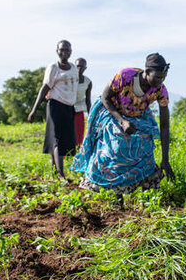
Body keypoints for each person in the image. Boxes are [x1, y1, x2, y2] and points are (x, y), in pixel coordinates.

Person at [70, 53, 175, 202]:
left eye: (163, 77)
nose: (160, 81)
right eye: (158, 77)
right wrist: (121, 121)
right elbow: (106, 97)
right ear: (146, 71)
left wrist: (165, 159)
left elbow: (165, 125)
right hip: (112, 111)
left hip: (138, 116)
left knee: (143, 143)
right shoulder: (126, 76)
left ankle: (136, 186)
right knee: (117, 144)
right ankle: (107, 187)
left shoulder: (160, 90)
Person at [28, 40, 79, 180]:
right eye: (62, 50)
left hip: (69, 107)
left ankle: (54, 172)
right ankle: (61, 175)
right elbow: (45, 88)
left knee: (65, 140)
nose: (64, 53)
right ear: (57, 51)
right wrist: (34, 110)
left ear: (71, 52)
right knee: (57, 140)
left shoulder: (74, 68)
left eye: (67, 50)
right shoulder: (53, 67)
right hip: (56, 106)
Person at [74, 58, 92, 148]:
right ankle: (65, 155)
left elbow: (88, 100)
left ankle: (77, 154)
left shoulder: (87, 82)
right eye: (77, 66)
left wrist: (90, 116)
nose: (79, 68)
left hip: (79, 109)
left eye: (82, 66)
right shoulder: (70, 79)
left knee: (79, 134)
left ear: (85, 68)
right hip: (67, 108)